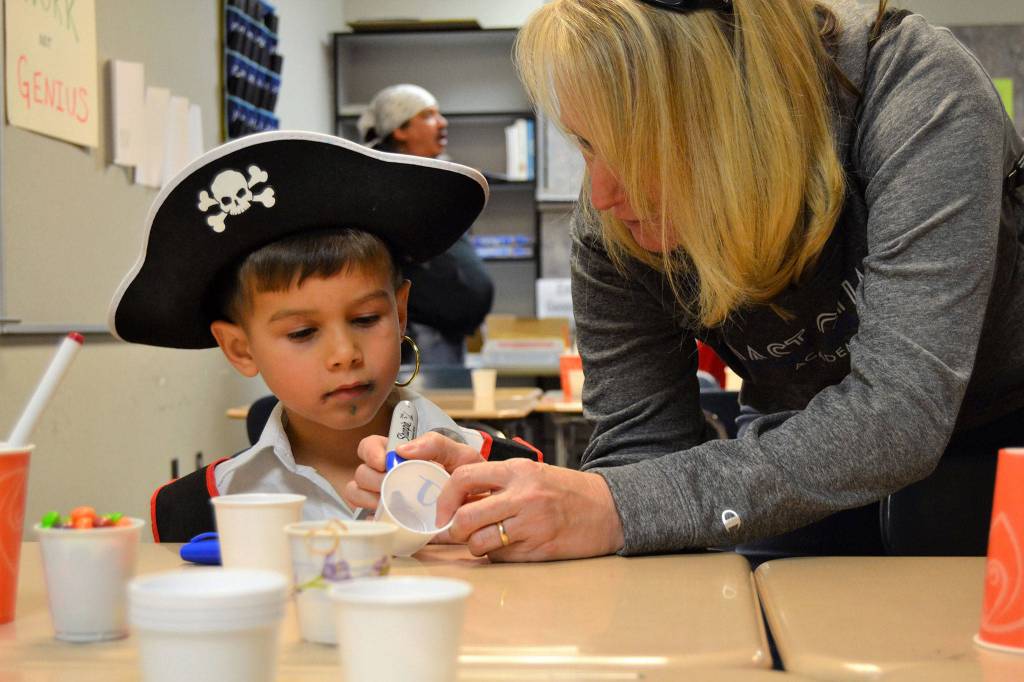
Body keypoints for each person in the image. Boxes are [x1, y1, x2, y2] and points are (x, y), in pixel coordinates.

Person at [344, 0, 1024, 562]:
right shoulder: (611, 228)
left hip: (998, 415)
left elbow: (898, 415)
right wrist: (518, 502)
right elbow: (644, 451)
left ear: (739, 113)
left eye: (638, 144)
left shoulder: (916, 94)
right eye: (587, 142)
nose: (603, 194)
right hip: (796, 423)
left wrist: (616, 504)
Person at [108, 131, 541, 542]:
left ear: (401, 312)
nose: (344, 353)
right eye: (302, 332)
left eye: (367, 318)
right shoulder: (199, 509)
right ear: (239, 348)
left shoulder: (505, 478)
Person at [358, 84, 494, 364]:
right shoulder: (386, 183)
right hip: (420, 337)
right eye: (428, 115)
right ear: (400, 129)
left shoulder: (432, 181)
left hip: (446, 333)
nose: (442, 122)